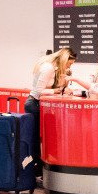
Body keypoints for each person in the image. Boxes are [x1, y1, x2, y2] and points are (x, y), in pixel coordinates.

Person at [25, 47, 76, 175]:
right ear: (65, 60)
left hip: (39, 105)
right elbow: (38, 91)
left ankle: (37, 171)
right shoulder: (48, 68)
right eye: (69, 63)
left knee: (40, 139)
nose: (69, 66)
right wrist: (56, 91)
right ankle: (34, 171)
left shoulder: (54, 69)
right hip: (34, 105)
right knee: (36, 139)